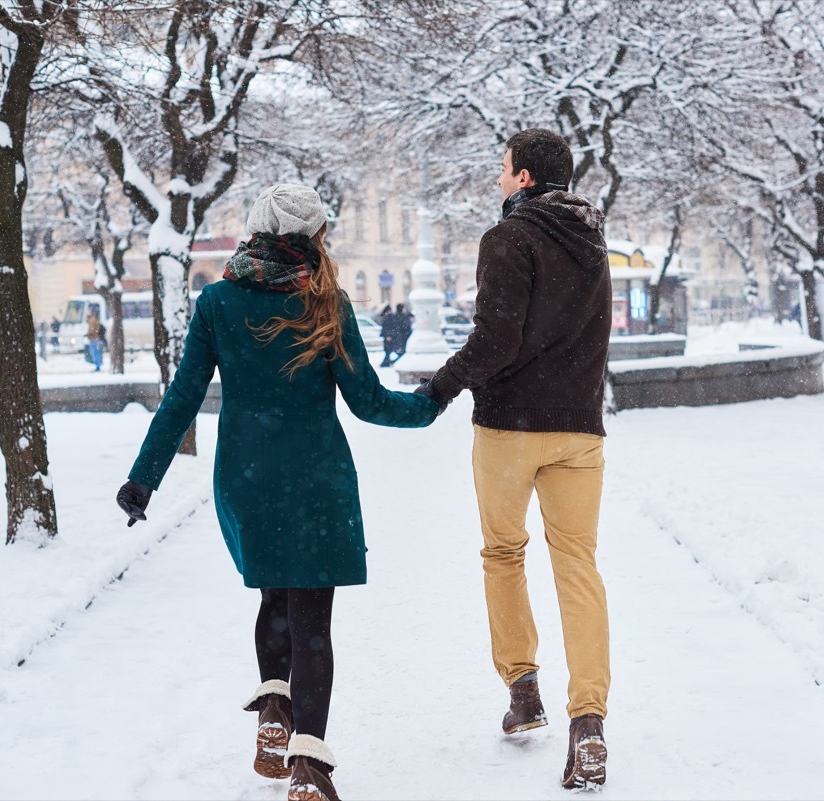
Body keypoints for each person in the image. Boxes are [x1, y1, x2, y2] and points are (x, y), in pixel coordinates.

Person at [115, 183, 439, 801]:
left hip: (248, 477)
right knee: (313, 619)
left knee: (274, 600)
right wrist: (432, 402)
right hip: (316, 478)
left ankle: (273, 714)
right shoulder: (326, 302)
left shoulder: (216, 302)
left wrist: (142, 478)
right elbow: (369, 403)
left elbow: (182, 398)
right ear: (315, 236)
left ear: (258, 230)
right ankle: (309, 769)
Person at [415, 128, 613, 789]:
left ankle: (524, 691)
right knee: (577, 563)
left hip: (510, 427)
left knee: (504, 552)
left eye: (503, 170)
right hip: (580, 429)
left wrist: (439, 387)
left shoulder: (507, 239)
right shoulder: (591, 238)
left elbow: (495, 341)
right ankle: (589, 724)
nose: (498, 180)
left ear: (525, 177)